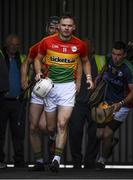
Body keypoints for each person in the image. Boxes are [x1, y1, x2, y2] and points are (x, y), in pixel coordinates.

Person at [34, 14, 94, 172]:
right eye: (64, 25)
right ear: (59, 27)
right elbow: (37, 58)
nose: (66, 28)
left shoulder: (80, 44)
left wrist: (88, 78)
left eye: (70, 26)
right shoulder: (46, 42)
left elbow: (85, 61)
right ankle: (53, 137)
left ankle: (56, 159)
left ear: (73, 27)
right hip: (50, 87)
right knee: (50, 126)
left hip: (68, 88)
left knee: (62, 124)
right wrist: (38, 72)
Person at [21, 16, 60, 171]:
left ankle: (52, 137)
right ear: (47, 29)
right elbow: (26, 63)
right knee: (32, 127)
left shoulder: (63, 48)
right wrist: (24, 79)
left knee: (46, 126)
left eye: (58, 28)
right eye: (52, 28)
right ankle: (39, 161)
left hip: (54, 91)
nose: (55, 31)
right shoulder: (38, 46)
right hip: (38, 90)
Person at [94, 41, 133, 169]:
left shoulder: (128, 69)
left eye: (119, 55)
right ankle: (110, 143)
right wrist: (99, 77)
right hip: (107, 102)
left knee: (107, 134)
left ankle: (101, 160)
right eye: (114, 54)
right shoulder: (109, 59)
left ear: (124, 55)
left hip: (123, 105)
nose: (116, 57)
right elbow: (105, 68)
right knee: (99, 134)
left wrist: (121, 103)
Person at [69, 39, 106, 169]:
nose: (86, 49)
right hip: (77, 103)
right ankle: (76, 161)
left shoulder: (101, 60)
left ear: (93, 49)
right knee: (75, 132)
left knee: (94, 133)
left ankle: (90, 161)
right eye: (83, 47)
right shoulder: (74, 61)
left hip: (95, 104)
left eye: (88, 47)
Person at [0, 34, 26, 168]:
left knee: (19, 133)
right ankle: (0, 160)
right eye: (12, 44)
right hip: (2, 101)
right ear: (6, 45)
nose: (14, 47)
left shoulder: (21, 59)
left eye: (16, 45)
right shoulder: (1, 57)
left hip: (18, 102)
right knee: (0, 132)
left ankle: (19, 161)